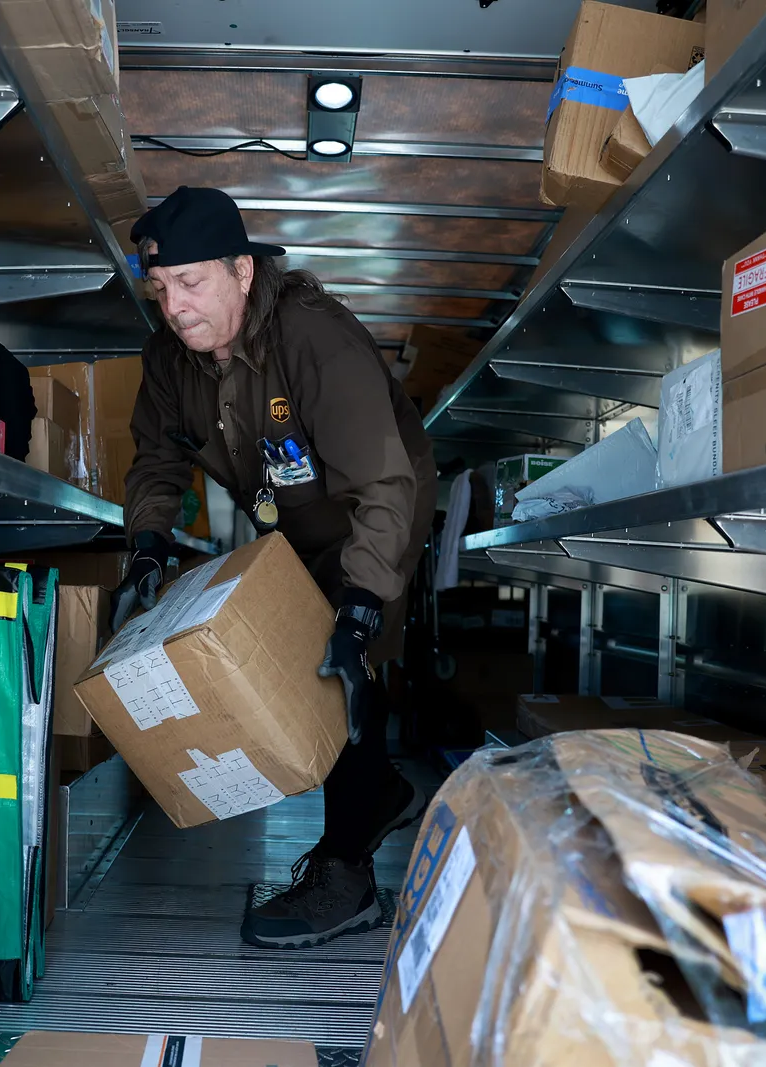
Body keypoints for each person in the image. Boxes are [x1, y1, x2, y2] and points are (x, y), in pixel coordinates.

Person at [109, 186, 438, 949]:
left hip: (375, 500)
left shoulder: (311, 338)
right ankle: (381, 792)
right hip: (291, 516)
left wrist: (360, 609)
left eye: (192, 283)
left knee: (335, 656)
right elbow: (156, 458)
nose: (176, 306)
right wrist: (149, 546)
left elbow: (384, 483)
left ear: (243, 271)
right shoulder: (172, 359)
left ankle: (348, 877)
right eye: (161, 290)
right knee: (302, 651)